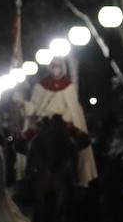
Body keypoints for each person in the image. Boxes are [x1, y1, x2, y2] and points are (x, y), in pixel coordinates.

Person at [23, 58, 99, 188]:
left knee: (83, 141)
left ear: (63, 68)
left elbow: (73, 108)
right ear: (49, 67)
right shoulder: (40, 86)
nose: (56, 69)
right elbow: (33, 107)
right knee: (25, 141)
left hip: (63, 121)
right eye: (53, 66)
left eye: (58, 66)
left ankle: (78, 175)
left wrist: (66, 117)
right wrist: (23, 104)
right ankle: (29, 173)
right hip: (44, 121)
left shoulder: (69, 86)